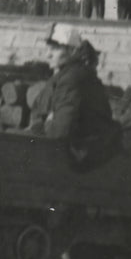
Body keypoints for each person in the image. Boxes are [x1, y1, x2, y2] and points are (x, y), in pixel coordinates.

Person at [30, 31, 120, 169]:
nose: (47, 54)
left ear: (72, 51)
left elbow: (59, 132)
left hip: (78, 155)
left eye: (54, 49)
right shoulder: (66, 75)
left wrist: (46, 123)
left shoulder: (72, 78)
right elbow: (38, 111)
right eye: (47, 49)